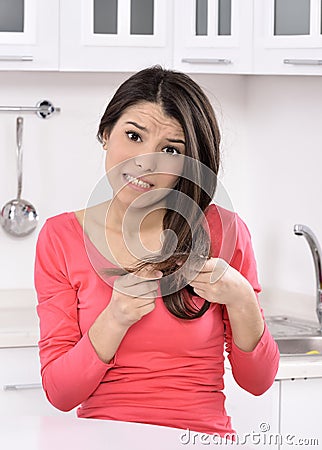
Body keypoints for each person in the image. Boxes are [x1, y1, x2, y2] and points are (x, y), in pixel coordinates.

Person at [34, 66, 279, 437]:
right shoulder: (61, 237)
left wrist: (242, 297)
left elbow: (258, 382)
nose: (145, 161)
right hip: (102, 440)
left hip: (200, 439)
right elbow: (61, 393)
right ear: (105, 133)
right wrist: (114, 319)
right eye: (133, 136)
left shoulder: (223, 231)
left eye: (169, 150)